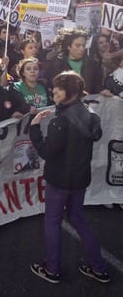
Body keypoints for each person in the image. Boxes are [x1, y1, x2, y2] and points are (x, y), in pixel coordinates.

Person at [29, 71, 110, 284]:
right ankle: (99, 268)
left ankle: (52, 269)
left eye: (59, 88)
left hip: (59, 181)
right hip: (80, 179)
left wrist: (35, 128)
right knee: (79, 219)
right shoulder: (91, 113)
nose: (53, 91)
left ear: (70, 93)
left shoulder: (61, 122)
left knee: (52, 222)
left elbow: (46, 151)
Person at [43, 28, 106, 95]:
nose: (82, 49)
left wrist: (102, 90)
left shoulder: (93, 65)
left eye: (83, 45)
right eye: (78, 46)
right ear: (68, 47)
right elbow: (53, 86)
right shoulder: (56, 65)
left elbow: (97, 86)